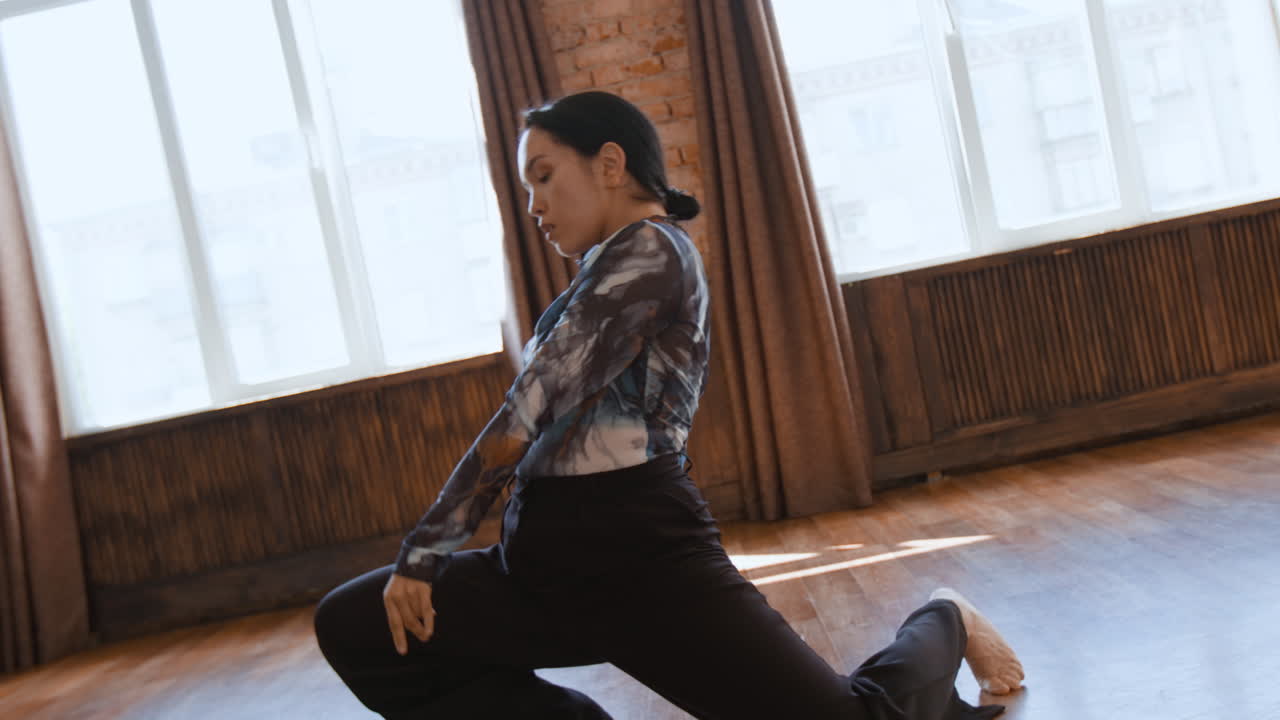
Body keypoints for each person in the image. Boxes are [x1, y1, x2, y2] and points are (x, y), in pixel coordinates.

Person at [313, 90, 1024, 719]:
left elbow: (527, 412)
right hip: (541, 568)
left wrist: (426, 549)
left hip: (643, 561)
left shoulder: (652, 253)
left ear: (610, 164)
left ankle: (945, 620)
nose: (533, 205)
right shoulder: (596, 274)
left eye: (544, 176)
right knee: (357, 627)